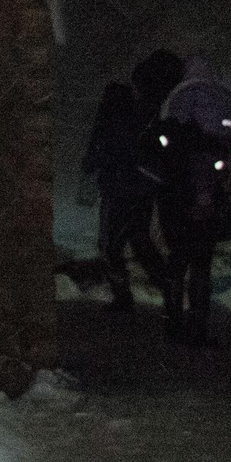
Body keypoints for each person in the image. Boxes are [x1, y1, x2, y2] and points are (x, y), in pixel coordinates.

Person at [154, 59, 231, 346]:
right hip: (210, 195)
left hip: (178, 194)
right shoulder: (223, 99)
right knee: (201, 264)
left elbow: (166, 148)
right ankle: (198, 325)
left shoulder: (177, 99)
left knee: (178, 260)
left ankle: (173, 323)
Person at [82, 81, 167, 310]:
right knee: (140, 242)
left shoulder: (110, 125)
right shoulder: (139, 123)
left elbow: (93, 162)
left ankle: (123, 297)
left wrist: (98, 162)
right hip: (141, 193)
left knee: (110, 246)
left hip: (118, 193)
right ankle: (170, 288)